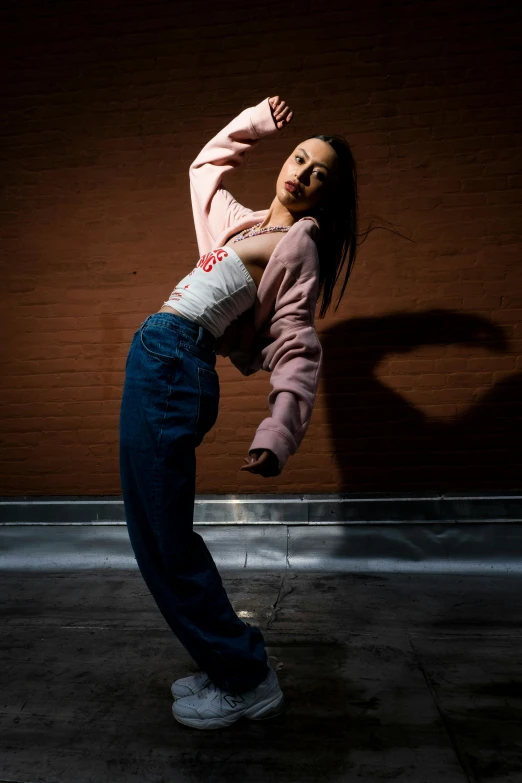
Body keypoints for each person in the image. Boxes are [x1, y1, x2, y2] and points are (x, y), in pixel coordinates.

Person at [119, 95, 358, 730]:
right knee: (152, 532)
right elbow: (203, 170)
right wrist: (252, 122)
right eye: (301, 157)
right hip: (157, 358)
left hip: (175, 361)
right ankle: (226, 662)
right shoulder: (247, 223)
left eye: (319, 175)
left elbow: (298, 343)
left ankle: (246, 677)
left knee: (165, 540)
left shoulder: (298, 243)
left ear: (324, 198)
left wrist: (278, 433)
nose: (302, 172)